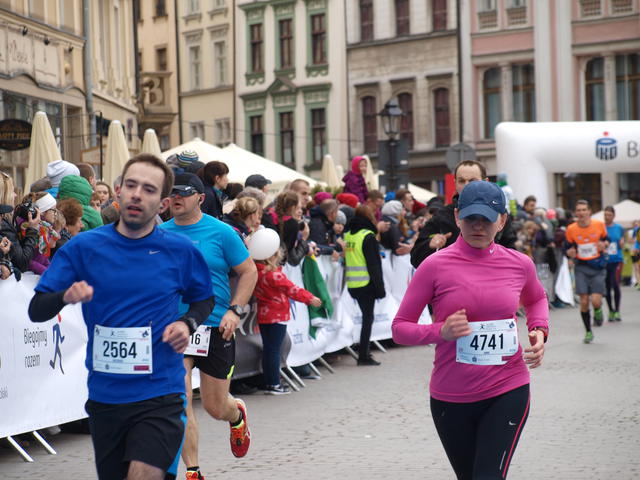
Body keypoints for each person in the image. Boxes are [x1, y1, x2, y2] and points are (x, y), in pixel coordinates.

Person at [28, 153, 215, 480]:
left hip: (161, 393)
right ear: (118, 191)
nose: (137, 194)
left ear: (163, 203)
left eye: (149, 189)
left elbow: (204, 299)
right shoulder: (84, 247)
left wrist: (187, 323)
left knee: (144, 474)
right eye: (131, 185)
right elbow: (37, 309)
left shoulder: (180, 251)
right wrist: (64, 297)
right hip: (106, 396)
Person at [393, 180, 548, 480]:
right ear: (456, 217)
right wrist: (440, 331)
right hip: (451, 396)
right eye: (470, 218)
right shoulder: (434, 266)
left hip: (508, 387)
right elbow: (400, 328)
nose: (478, 226)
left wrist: (539, 330)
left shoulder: (520, 264)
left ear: (501, 221)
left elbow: (537, 298)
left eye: (486, 219)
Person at [159, 173, 257, 480]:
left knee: (216, 407)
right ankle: (193, 471)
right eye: (172, 193)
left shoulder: (222, 232)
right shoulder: (159, 234)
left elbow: (249, 271)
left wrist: (235, 311)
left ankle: (236, 413)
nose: (176, 198)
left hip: (216, 327)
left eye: (183, 193)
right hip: (176, 328)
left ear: (200, 198)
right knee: (180, 399)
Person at [249, 228, 322, 394]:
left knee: (269, 349)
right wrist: (310, 298)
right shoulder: (274, 275)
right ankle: (274, 383)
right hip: (277, 316)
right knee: (274, 350)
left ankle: (269, 381)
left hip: (264, 316)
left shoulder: (257, 272)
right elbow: (292, 289)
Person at [410, 160, 517, 268]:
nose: (466, 185)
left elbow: (511, 254)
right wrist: (429, 245)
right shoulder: (442, 216)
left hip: (491, 274)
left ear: (486, 182)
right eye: (461, 181)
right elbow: (415, 258)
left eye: (472, 181)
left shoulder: (497, 213)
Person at [344, 205, 386, 366]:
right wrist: (380, 288)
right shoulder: (368, 236)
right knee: (368, 319)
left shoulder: (349, 235)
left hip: (353, 283)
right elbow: (374, 265)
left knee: (365, 318)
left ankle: (363, 352)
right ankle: (363, 355)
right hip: (366, 283)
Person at [564, 199, 609, 344]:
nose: (581, 213)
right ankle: (588, 331)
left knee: (595, 300)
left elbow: (606, 240)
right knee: (584, 301)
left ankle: (598, 310)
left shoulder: (599, 225)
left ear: (589, 211)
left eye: (584, 210)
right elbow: (567, 248)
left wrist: (604, 244)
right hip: (581, 267)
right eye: (579, 210)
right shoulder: (571, 229)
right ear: (575, 213)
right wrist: (569, 253)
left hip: (597, 266)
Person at [0, 171, 39, 273]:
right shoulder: (3, 224)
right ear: (3, 195)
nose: (16, 195)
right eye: (12, 191)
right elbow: (23, 263)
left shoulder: (7, 220)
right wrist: (33, 229)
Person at [603, 206, 624, 322]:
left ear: (614, 216)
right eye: (605, 215)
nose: (607, 217)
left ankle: (617, 311)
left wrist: (622, 243)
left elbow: (621, 242)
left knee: (615, 284)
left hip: (616, 260)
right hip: (605, 260)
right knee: (607, 286)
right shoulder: (601, 227)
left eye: (609, 215)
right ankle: (611, 310)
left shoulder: (619, 228)